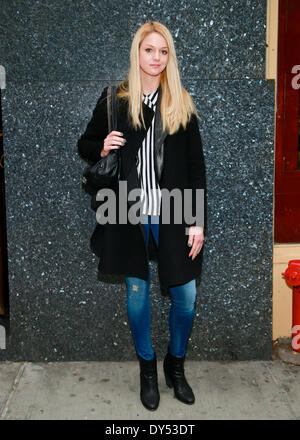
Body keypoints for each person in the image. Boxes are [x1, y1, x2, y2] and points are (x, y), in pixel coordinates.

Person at [77, 21, 206, 411]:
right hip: (127, 208)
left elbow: (196, 165)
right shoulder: (116, 99)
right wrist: (101, 146)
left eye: (163, 51)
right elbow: (84, 143)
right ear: (137, 53)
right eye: (149, 50)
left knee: (185, 295)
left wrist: (196, 219)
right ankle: (147, 369)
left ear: (170, 58)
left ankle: (176, 366)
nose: (156, 58)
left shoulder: (179, 100)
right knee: (136, 291)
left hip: (175, 210)